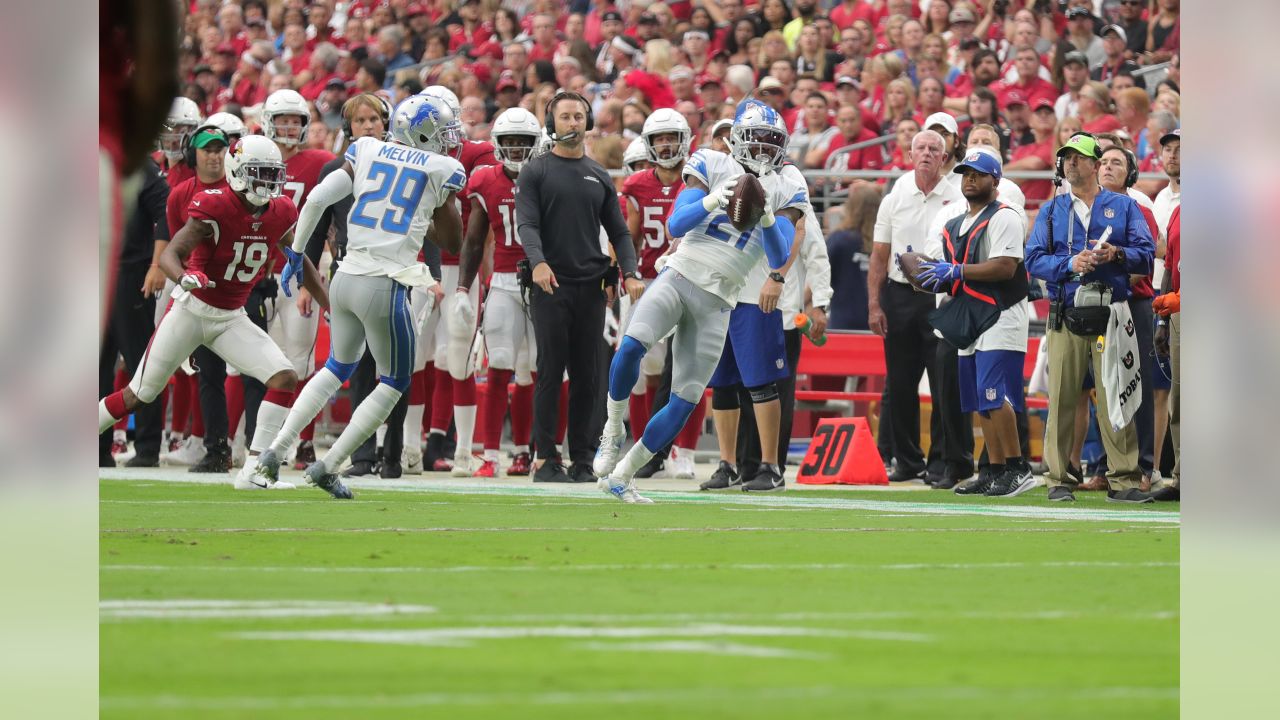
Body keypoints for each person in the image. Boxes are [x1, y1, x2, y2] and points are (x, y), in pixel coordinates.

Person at [252, 95, 467, 498]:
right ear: (422, 133)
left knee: (335, 368)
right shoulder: (442, 167)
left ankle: (275, 449)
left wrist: (297, 254)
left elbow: (316, 199)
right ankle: (329, 465)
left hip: (345, 275)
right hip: (384, 283)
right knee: (394, 381)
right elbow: (453, 240)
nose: (449, 140)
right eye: (442, 132)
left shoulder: (366, 148)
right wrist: (440, 201)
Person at [594, 98, 804, 501]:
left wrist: (764, 217)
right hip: (681, 273)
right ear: (738, 139)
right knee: (630, 350)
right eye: (756, 140)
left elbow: (779, 257)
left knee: (685, 399)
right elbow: (675, 223)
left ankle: (625, 473)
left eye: (771, 141)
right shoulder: (713, 162)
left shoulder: (788, 182)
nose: (763, 149)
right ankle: (613, 428)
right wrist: (712, 200)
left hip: (721, 298)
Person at [98, 136, 329, 492]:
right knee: (139, 393)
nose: (267, 182)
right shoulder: (216, 205)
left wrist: (329, 304)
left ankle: (253, 471)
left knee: (283, 377)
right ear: (237, 172)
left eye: (272, 174)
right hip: (192, 310)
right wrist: (185, 276)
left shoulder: (281, 210)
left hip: (231, 316)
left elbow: (300, 261)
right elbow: (170, 255)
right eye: (258, 173)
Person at [517, 91, 644, 484]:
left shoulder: (598, 174)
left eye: (578, 116)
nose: (572, 123)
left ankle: (584, 458)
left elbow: (620, 232)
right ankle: (545, 457)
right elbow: (527, 226)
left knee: (588, 376)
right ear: (551, 123)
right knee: (551, 370)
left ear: (587, 124)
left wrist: (629, 272)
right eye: (565, 116)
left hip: (590, 286)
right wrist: (537, 262)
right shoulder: (535, 170)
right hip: (550, 284)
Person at [1024, 133, 1155, 503]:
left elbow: (1146, 256)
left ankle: (1124, 478)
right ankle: (1058, 478)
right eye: (1066, 157)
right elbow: (1032, 259)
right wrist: (1069, 263)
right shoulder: (1051, 210)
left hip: (1111, 312)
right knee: (1063, 395)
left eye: (1079, 158)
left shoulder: (1124, 206)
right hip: (1066, 312)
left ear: (1096, 164)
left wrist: (1116, 254)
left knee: (1117, 392)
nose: (1070, 163)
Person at [916, 147, 1033, 497]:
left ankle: (1017, 467)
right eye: (965, 173)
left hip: (1002, 312)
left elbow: (1004, 267)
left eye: (978, 174)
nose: (969, 179)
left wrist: (956, 271)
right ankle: (994, 469)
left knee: (996, 394)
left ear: (995, 180)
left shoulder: (1005, 216)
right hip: (971, 316)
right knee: (981, 399)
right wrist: (924, 275)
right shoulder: (954, 224)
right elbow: (954, 277)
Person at [868, 130, 964, 483]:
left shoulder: (956, 196)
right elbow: (879, 253)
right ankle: (906, 459)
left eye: (934, 149)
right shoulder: (895, 195)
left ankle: (941, 459)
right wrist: (874, 304)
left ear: (944, 157)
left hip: (941, 294)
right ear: (910, 154)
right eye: (921, 147)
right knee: (901, 382)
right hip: (900, 292)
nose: (927, 153)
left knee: (942, 382)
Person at [456, 107, 543, 478]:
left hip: (543, 281)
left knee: (536, 368)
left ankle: (531, 451)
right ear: (498, 144)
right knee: (501, 365)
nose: (518, 151)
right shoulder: (485, 180)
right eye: (510, 143)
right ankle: (489, 454)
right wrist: (463, 286)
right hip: (505, 281)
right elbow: (475, 241)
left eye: (524, 144)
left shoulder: (547, 177)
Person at [417, 86, 498, 476]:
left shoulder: (476, 154)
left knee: (458, 360)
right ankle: (406, 447)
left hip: (460, 269)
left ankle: (462, 449)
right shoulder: (405, 155)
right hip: (418, 267)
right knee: (415, 358)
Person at [618, 110, 696, 472]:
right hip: (648, 280)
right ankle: (645, 447)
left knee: (687, 369)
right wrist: (626, 274)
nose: (666, 145)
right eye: (659, 138)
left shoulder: (697, 180)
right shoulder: (635, 185)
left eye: (671, 137)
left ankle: (685, 451)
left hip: (689, 280)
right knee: (644, 368)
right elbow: (628, 238)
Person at [161, 126, 236, 472]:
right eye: (207, 149)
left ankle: (255, 444)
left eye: (220, 149)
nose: (214, 155)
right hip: (199, 292)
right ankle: (214, 447)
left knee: (251, 372)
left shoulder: (238, 189)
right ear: (194, 155)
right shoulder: (179, 194)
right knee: (206, 371)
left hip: (237, 289)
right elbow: (178, 246)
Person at [99, 158, 169, 468]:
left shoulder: (142, 168)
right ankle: (97, 449)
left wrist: (156, 265)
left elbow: (167, 215)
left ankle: (148, 446)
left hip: (130, 272)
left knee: (142, 364)